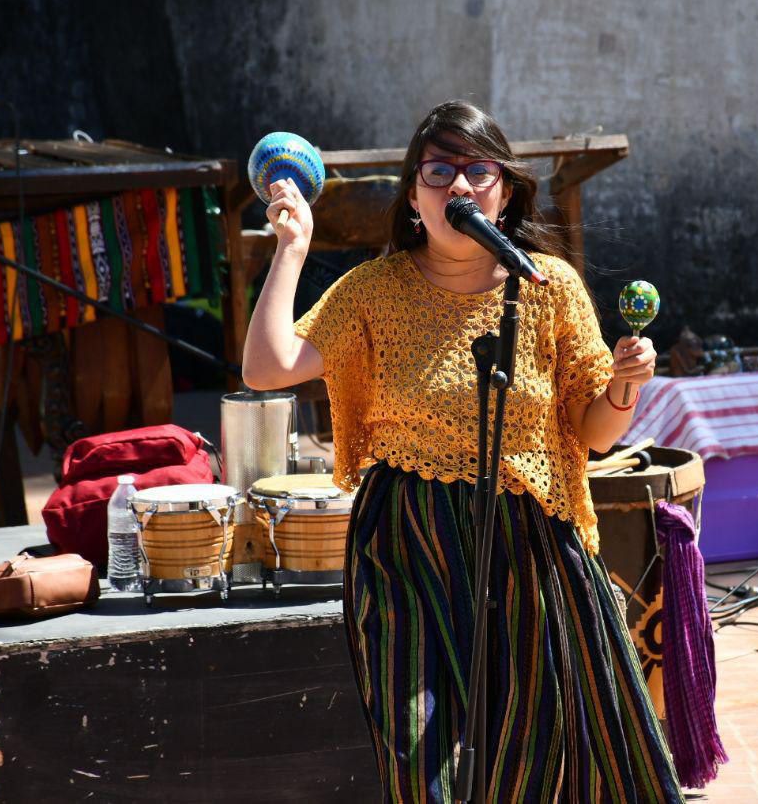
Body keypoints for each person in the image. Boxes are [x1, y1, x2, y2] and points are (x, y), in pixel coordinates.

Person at [243, 100, 683, 802]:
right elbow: (267, 367)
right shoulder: (374, 290)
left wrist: (626, 387)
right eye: (439, 169)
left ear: (504, 192)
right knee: (421, 759)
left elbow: (594, 433)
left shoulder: (548, 287)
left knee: (533, 760)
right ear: (413, 196)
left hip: (530, 546)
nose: (460, 186)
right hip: (407, 545)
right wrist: (292, 250)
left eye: (478, 170)